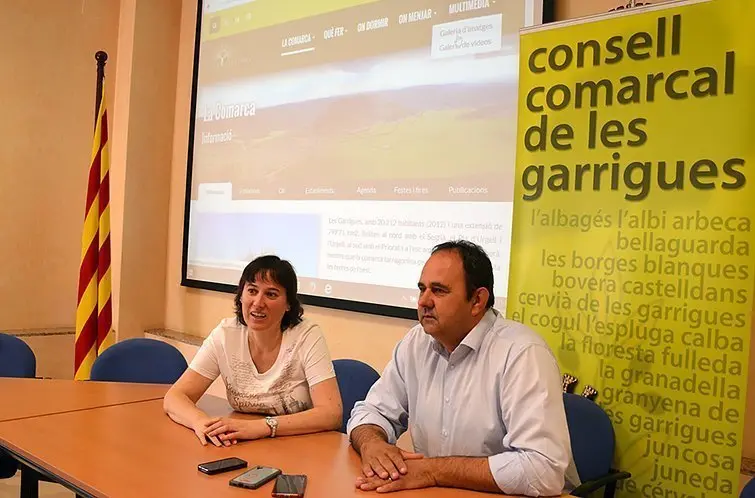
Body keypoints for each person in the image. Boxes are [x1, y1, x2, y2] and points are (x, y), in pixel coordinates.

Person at [347, 240, 580, 496]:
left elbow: (542, 470)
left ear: (478, 300)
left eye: (439, 291)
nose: (424, 301)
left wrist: (432, 471)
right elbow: (371, 411)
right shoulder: (416, 342)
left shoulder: (522, 354)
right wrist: (372, 444)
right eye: (422, 289)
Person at [164, 255, 342, 446]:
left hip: (298, 445)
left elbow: (331, 413)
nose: (258, 302)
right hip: (241, 444)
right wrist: (201, 423)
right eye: (252, 291)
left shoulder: (306, 336)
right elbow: (175, 397)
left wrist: (262, 427)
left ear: (289, 304)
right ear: (241, 296)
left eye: (271, 294)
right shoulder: (225, 335)